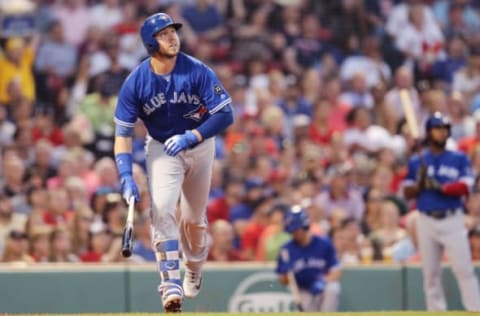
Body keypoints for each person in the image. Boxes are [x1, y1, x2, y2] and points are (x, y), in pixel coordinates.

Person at [113, 12, 234, 313]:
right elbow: (123, 135)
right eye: (164, 34)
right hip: (163, 147)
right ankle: (169, 284)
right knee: (163, 208)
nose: (173, 37)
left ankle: (193, 266)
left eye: (173, 32)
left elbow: (225, 114)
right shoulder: (136, 82)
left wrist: (192, 136)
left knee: (193, 221)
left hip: (200, 144)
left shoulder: (197, 70)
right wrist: (126, 175)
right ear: (150, 43)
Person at [403, 112, 480, 311]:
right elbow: (407, 192)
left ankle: (475, 310)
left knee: (464, 269)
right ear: (429, 132)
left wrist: (441, 187)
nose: (442, 133)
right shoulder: (417, 161)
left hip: (452, 218)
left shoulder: (458, 158)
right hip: (426, 219)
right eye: (438, 129)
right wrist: (421, 183)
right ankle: (436, 312)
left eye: (445, 129)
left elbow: (466, 186)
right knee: (430, 274)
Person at [275, 205, 342, 312]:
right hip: (303, 290)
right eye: (292, 231)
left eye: (296, 230)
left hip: (323, 286)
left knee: (333, 288)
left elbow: (337, 271)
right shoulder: (286, 249)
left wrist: (323, 282)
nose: (294, 234)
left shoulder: (323, 243)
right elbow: (282, 281)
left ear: (305, 225)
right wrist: (286, 273)